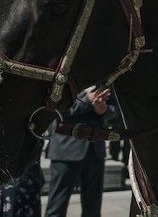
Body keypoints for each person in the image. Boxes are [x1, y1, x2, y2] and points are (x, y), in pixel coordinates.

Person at [45, 86, 115, 217]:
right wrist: (86, 101)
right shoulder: (65, 72)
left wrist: (104, 110)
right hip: (66, 149)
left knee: (93, 210)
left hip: (95, 149)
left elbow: (113, 107)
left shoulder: (104, 76)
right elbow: (55, 108)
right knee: (56, 208)